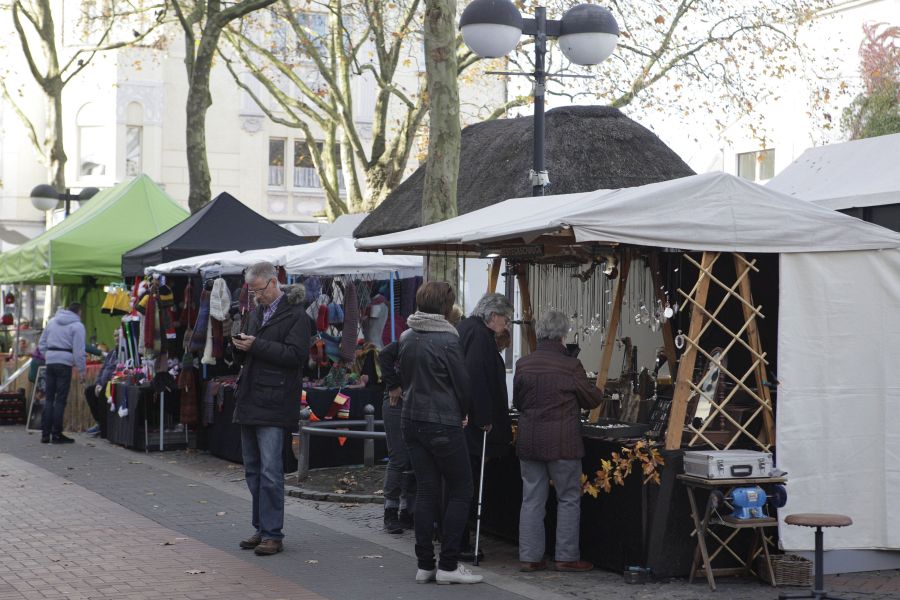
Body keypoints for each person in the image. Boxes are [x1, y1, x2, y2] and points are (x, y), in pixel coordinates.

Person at [399, 281, 482, 585]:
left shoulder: (407, 336)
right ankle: (448, 564)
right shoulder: (448, 339)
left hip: (411, 419)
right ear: (446, 307)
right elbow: (463, 384)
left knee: (426, 489)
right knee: (461, 489)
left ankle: (425, 565)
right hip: (442, 421)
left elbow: (402, 375)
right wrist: (463, 412)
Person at [513, 310, 603, 573]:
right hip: (563, 443)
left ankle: (530, 557)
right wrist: (598, 390)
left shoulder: (523, 364)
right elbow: (591, 399)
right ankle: (566, 556)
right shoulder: (570, 366)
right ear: (563, 336)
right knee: (568, 498)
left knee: (531, 499)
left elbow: (518, 402)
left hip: (530, 441)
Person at [233, 262, 310, 556]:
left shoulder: (297, 315)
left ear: (273, 282)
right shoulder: (255, 312)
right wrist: (237, 346)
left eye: (259, 290)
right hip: (251, 397)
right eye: (252, 291)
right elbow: (251, 355)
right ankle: (261, 528)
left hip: (275, 401)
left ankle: (273, 534)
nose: (256, 296)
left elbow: (296, 356)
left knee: (269, 471)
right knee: (253, 470)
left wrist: (255, 346)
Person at [456, 292, 514, 561]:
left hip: (465, 420)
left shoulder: (466, 328)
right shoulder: (479, 335)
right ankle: (461, 541)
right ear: (492, 316)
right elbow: (476, 376)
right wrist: (483, 417)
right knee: (468, 484)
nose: (507, 324)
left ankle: (456, 538)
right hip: (474, 426)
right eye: (506, 319)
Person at [379, 341, 415, 534]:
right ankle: (391, 511)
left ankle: (407, 510)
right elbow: (385, 355)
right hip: (398, 402)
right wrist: (393, 385)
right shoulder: (410, 337)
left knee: (414, 459)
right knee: (399, 457)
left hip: (416, 401)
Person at [37, 302, 86, 444]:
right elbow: (79, 351)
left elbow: (41, 343)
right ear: (78, 312)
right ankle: (57, 434)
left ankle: (45, 434)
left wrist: (49, 355)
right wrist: (81, 370)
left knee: (49, 398)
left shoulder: (52, 322)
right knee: (60, 399)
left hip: (50, 361)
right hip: (65, 363)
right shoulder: (77, 326)